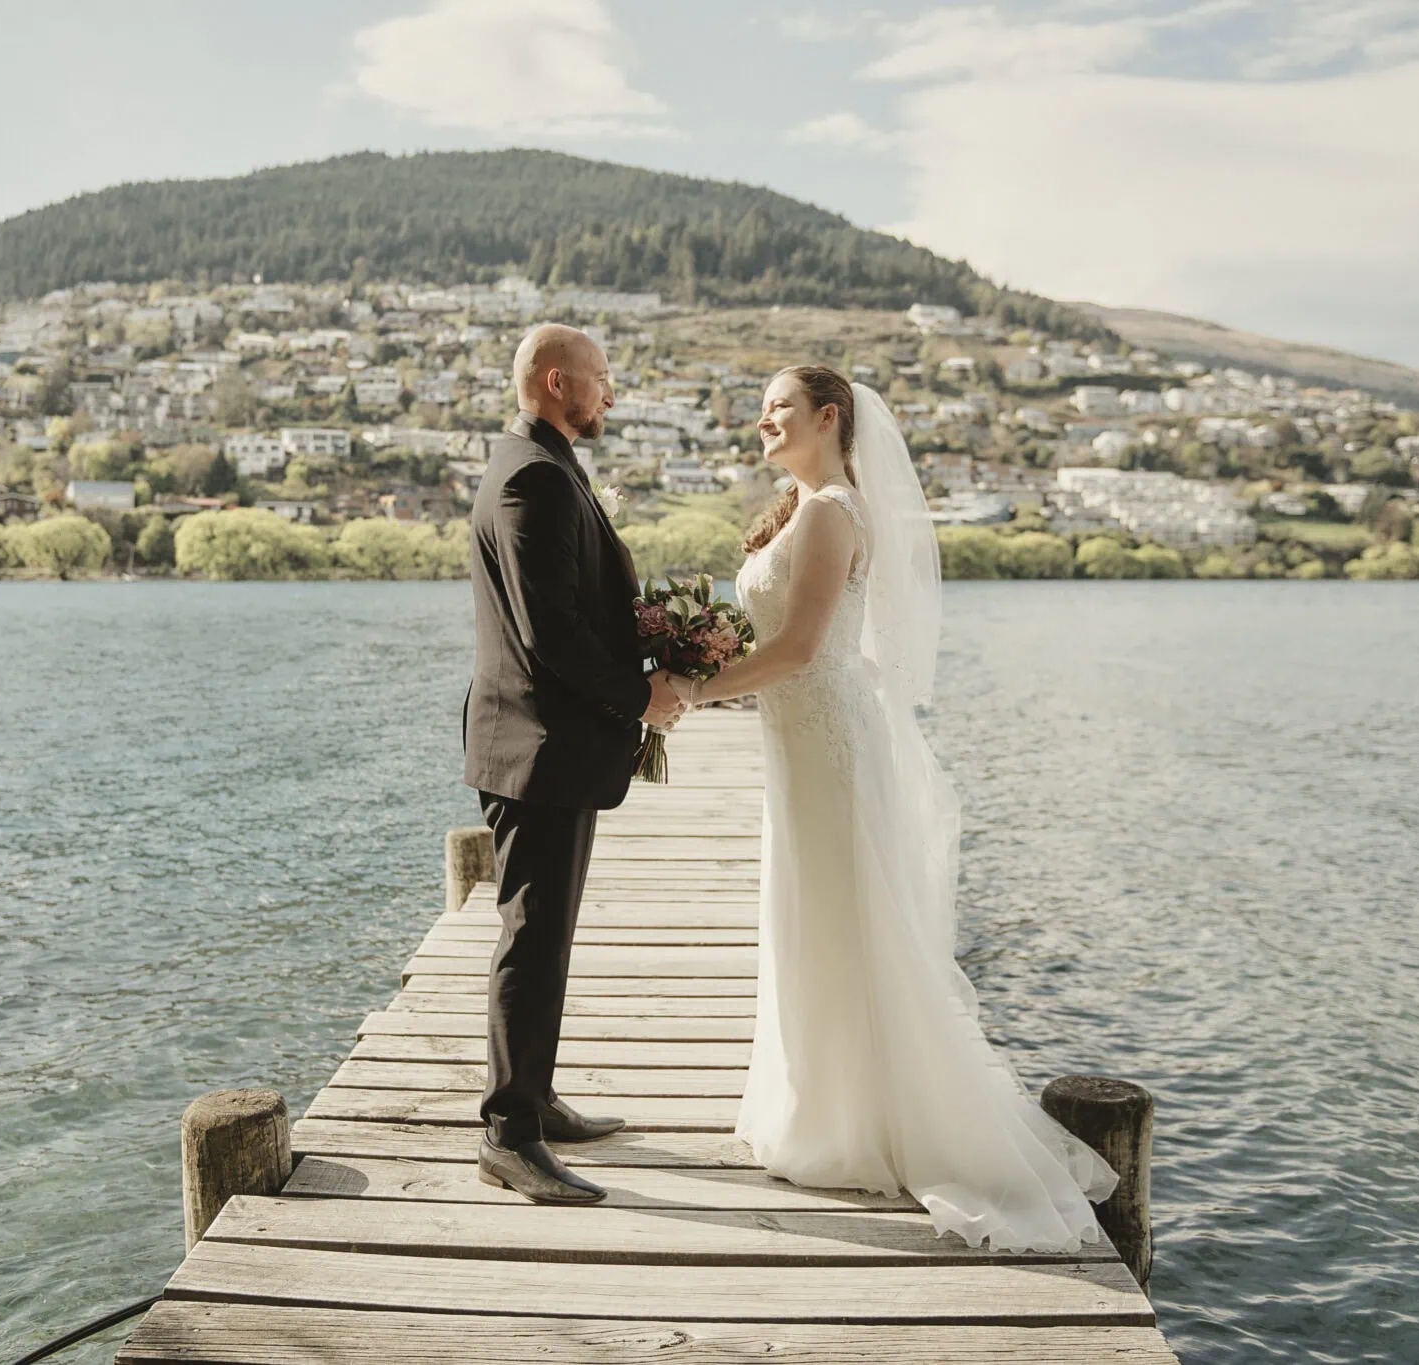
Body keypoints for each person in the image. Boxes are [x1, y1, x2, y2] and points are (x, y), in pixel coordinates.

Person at [678, 364, 1121, 1251]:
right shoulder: (811, 510)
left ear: (828, 417)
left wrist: (689, 689)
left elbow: (801, 648)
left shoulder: (834, 512)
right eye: (762, 408)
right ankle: (819, 1105)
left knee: (841, 917)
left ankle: (857, 1123)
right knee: (808, 915)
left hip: (825, 740)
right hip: (799, 741)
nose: (761, 420)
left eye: (779, 409)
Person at [462, 322, 687, 1205]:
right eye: (601, 379)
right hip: (535, 747)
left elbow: (578, 606)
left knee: (548, 935)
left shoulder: (543, 465)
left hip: (547, 746)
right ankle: (508, 1134)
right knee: (530, 935)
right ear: (557, 382)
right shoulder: (529, 478)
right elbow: (547, 631)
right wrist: (643, 698)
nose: (611, 395)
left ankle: (536, 1098)